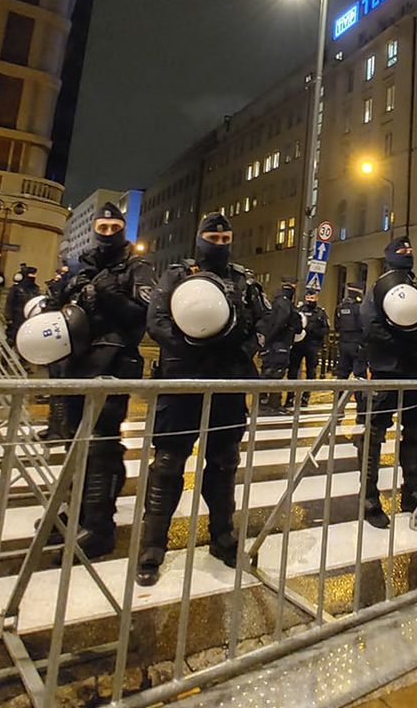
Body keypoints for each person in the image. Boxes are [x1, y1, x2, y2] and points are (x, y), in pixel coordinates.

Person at [137, 212, 266, 586]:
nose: (220, 243)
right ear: (200, 238)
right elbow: (156, 320)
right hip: (183, 382)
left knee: (224, 463)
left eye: (226, 238)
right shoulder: (177, 276)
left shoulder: (243, 279)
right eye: (214, 237)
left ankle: (223, 536)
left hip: (228, 381)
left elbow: (264, 321)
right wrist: (191, 345)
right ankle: (152, 545)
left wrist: (245, 347)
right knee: (168, 462)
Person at [52, 202, 155, 559]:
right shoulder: (83, 263)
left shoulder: (136, 267)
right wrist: (67, 288)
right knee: (72, 439)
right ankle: (70, 510)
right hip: (75, 361)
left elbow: (143, 316)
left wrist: (108, 295)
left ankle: (99, 525)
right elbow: (58, 304)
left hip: (113, 362)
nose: (107, 233)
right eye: (103, 227)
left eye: (114, 228)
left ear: (122, 229)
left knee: (101, 445)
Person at [359, 235, 417, 528]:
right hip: (386, 373)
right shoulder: (378, 290)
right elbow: (370, 327)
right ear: (390, 256)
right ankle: (369, 497)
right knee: (375, 435)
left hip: (415, 375)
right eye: (401, 251)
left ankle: (411, 491)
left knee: (414, 432)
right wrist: (405, 347)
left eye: (410, 249)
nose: (408, 253)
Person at [256, 278, 300, 412]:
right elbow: (282, 322)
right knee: (276, 373)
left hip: (272, 344)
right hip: (279, 344)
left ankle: (263, 402)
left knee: (268, 371)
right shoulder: (284, 303)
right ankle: (273, 404)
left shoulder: (275, 301)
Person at [285, 290, 329, 409]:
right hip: (298, 345)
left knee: (311, 372)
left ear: (316, 298)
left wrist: (314, 331)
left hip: (312, 345)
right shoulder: (299, 311)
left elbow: (326, 329)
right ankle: (290, 397)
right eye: (308, 297)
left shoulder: (320, 312)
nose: (310, 299)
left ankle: (305, 397)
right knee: (293, 371)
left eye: (312, 297)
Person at [334, 283, 367, 380]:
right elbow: (364, 326)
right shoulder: (360, 308)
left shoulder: (340, 307)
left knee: (342, 373)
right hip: (357, 344)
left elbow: (337, 325)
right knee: (359, 375)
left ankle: (339, 395)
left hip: (343, 343)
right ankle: (359, 395)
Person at [4, 264, 40, 347]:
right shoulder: (16, 289)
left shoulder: (35, 289)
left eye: (34, 275)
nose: (33, 277)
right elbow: (9, 303)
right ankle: (5, 358)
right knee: (11, 339)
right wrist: (8, 317)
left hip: (28, 318)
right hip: (16, 317)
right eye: (30, 275)